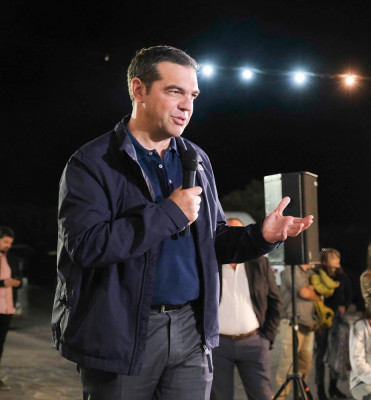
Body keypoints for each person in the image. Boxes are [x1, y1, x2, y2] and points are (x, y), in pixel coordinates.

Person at [52, 46, 313, 400]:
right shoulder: (93, 163)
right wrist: (169, 213)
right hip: (123, 334)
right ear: (139, 90)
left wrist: (261, 236)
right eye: (174, 91)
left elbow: (214, 240)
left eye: (193, 95)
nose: (186, 106)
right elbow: (87, 246)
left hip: (191, 331)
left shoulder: (196, 158)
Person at [210, 218, 282, 400]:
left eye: (240, 233)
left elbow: (275, 300)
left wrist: (267, 337)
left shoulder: (259, 263)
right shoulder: (212, 262)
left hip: (254, 343)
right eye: (232, 233)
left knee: (262, 395)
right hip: (218, 346)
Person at [312, 248, 352, 400]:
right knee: (321, 355)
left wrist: (344, 306)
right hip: (322, 319)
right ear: (324, 261)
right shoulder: (318, 276)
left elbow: (349, 293)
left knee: (336, 354)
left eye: (337, 257)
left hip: (337, 319)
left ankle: (333, 388)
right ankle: (320, 390)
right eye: (333, 258)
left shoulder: (341, 276)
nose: (337, 260)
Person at [275, 263, 319, 397]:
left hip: (308, 323)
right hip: (291, 321)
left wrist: (313, 291)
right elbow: (304, 293)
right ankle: (282, 396)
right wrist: (317, 295)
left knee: (306, 362)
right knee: (287, 362)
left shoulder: (310, 273)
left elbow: (318, 289)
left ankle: (301, 395)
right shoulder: (291, 270)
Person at [0, 227, 21, 391]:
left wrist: (17, 283)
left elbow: (17, 277)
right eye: (6, 242)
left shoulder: (12, 258)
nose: (8, 245)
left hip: (7, 307)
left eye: (10, 243)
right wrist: (2, 283)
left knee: (0, 343)